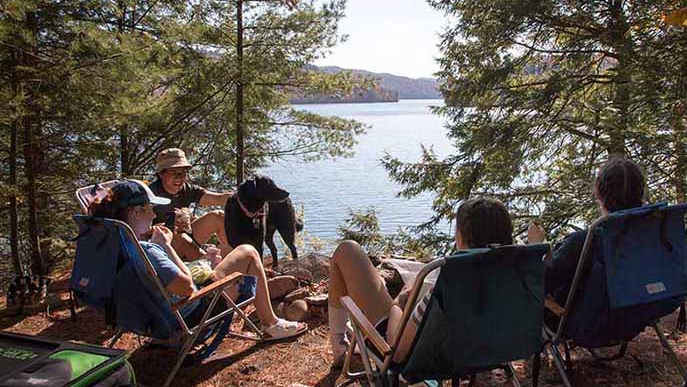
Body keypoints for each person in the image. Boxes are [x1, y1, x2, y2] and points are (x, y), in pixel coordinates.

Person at [88, 179, 307, 341]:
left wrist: (200, 262)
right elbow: (187, 289)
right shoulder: (148, 252)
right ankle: (271, 324)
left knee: (219, 258)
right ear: (135, 213)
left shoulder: (112, 246)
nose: (154, 215)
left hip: (144, 315)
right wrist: (164, 246)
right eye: (150, 210)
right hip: (186, 316)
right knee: (248, 252)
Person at [328, 196, 514, 367]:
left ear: (462, 237)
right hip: (474, 350)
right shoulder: (516, 277)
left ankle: (339, 347)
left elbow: (398, 351)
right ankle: (340, 346)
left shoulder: (451, 283)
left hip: (411, 352)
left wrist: (398, 302)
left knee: (347, 250)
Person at [527, 156, 646, 306]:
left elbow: (539, 285)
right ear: (640, 192)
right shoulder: (650, 236)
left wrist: (536, 247)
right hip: (635, 311)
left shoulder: (585, 242)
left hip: (586, 322)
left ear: (597, 191)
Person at [149, 148, 234, 259]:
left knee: (218, 216)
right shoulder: (149, 193)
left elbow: (217, 199)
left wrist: (240, 196)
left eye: (183, 172)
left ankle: (229, 262)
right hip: (160, 245)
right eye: (173, 172)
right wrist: (166, 227)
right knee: (180, 236)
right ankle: (208, 266)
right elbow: (139, 231)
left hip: (186, 237)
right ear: (161, 174)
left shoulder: (187, 189)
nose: (179, 177)